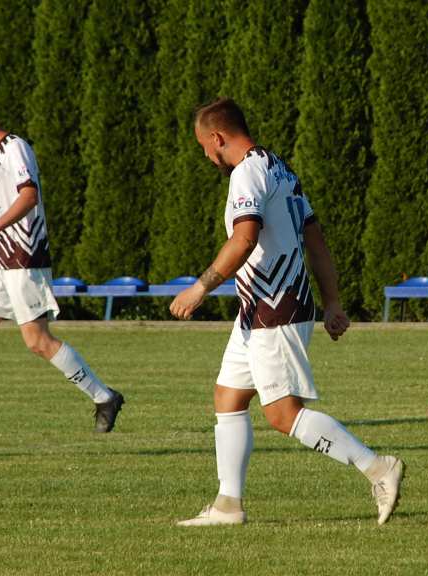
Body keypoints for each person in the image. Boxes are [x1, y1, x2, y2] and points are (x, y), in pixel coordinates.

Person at [170, 97, 404, 526]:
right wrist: (332, 301)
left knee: (282, 415)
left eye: (204, 145)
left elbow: (243, 239)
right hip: (259, 309)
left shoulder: (246, 173)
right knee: (228, 397)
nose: (206, 155)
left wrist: (199, 287)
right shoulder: (279, 167)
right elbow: (315, 239)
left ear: (217, 138)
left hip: (275, 308)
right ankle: (228, 505)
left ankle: (377, 467)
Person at [0, 95, 124, 433]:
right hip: (1, 258)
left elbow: (29, 195)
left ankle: (104, 396)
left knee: (37, 341)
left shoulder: (15, 148)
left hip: (24, 257)